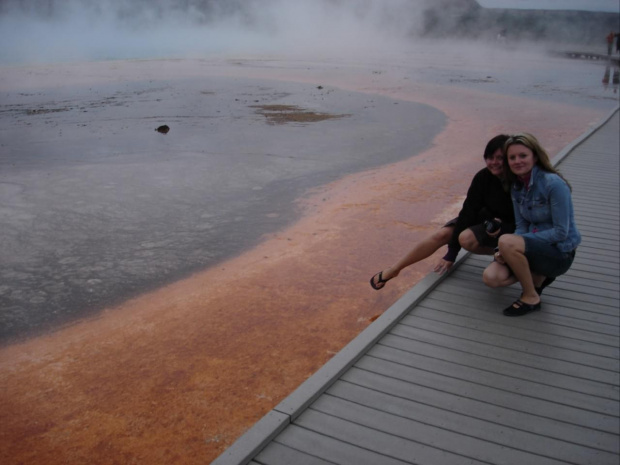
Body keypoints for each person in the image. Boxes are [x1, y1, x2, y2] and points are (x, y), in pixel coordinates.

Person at [370, 134, 514, 290]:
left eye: (500, 158)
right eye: (489, 157)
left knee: (467, 240)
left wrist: (504, 228)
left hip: (512, 230)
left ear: (509, 158)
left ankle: (504, 256)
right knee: (443, 234)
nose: (494, 163)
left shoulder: (519, 181)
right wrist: (452, 252)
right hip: (487, 220)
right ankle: (394, 270)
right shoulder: (483, 177)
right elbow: (468, 211)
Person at [482, 133, 581, 317]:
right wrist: (508, 248)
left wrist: (512, 245)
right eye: (512, 157)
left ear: (535, 156)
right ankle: (537, 278)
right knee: (491, 277)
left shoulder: (553, 184)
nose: (517, 161)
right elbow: (521, 226)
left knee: (507, 241)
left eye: (523, 155)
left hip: (559, 253)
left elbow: (561, 232)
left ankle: (530, 296)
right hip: (534, 248)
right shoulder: (516, 187)